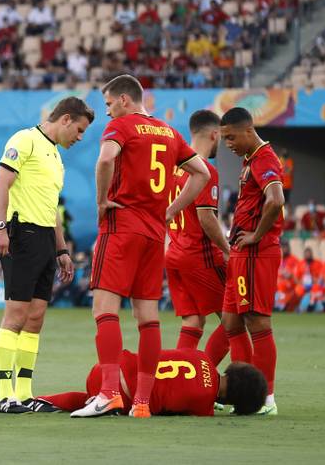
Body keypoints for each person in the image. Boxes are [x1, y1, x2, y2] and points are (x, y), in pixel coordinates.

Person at [73, 75, 210, 419]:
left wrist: (102, 200)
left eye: (107, 105)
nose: (106, 113)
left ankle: (108, 393)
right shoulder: (169, 132)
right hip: (153, 233)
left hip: (121, 227)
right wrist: (171, 210)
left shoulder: (123, 127)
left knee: (104, 309)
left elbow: (105, 160)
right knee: (147, 317)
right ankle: (143, 403)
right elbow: (202, 174)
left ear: (123, 99)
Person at [0, 96, 95, 413]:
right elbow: (1, 185)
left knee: (35, 319)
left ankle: (24, 393)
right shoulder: (25, 140)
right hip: (21, 235)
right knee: (16, 315)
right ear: (65, 119)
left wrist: (61, 248)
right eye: (78, 130)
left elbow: (52, 209)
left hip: (46, 240)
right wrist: (0, 227)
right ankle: (3, 395)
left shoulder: (54, 155)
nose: (79, 138)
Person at [220, 106, 285, 416]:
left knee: (257, 322)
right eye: (224, 139)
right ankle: (242, 393)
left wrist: (257, 235)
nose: (228, 144)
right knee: (231, 321)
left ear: (248, 130)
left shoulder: (265, 159)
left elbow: (276, 200)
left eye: (231, 137)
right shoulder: (250, 161)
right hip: (241, 253)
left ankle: (266, 398)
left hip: (256, 253)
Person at [165, 110, 231, 366]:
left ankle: (183, 380)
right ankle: (205, 378)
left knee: (193, 320)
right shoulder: (204, 170)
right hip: (199, 255)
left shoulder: (174, 169)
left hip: (174, 255)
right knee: (233, 320)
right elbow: (206, 219)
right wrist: (227, 249)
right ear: (215, 134)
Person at [35, 349, 267, 417]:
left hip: (107, 369)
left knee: (94, 398)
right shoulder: (204, 407)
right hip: (124, 396)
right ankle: (47, 402)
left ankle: (38, 400)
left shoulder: (202, 356)